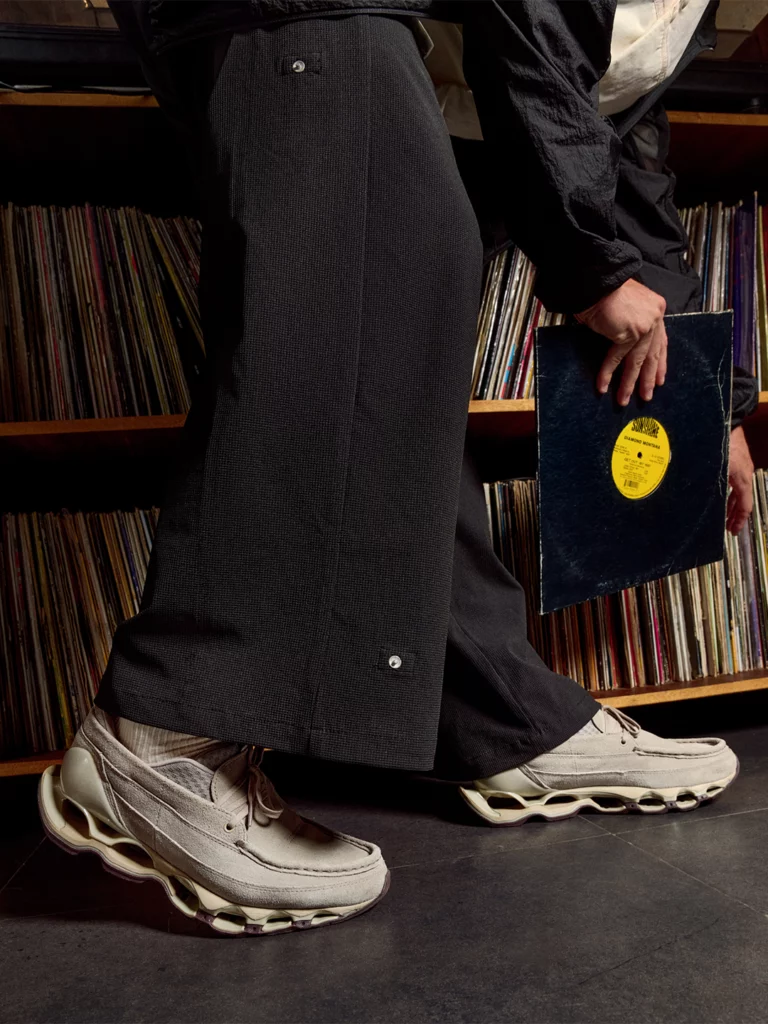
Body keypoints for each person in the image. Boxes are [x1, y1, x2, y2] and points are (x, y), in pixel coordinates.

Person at [39, 0, 740, 937]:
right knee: (367, 287)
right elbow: (529, 27)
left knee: (406, 335)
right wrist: (589, 265)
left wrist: (710, 400)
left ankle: (500, 716)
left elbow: (634, 155)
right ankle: (168, 734)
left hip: (392, 44)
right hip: (313, 9)